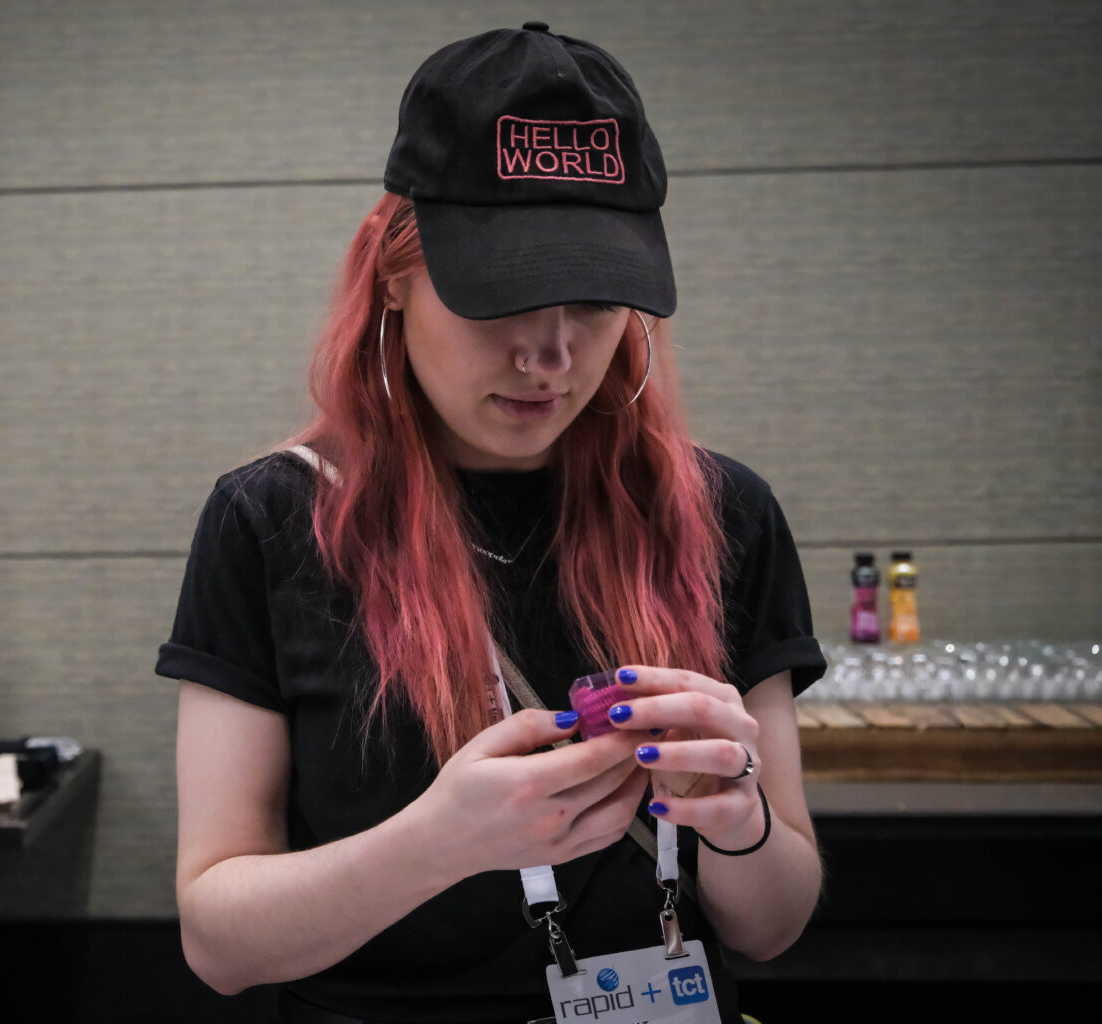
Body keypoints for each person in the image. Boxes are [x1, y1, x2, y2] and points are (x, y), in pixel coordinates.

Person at [157, 23, 826, 1024]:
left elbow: (774, 925)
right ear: (392, 273)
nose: (550, 356)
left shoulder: (722, 512)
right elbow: (218, 944)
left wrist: (740, 821)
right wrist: (437, 843)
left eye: (595, 301)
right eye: (502, 295)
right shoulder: (273, 520)